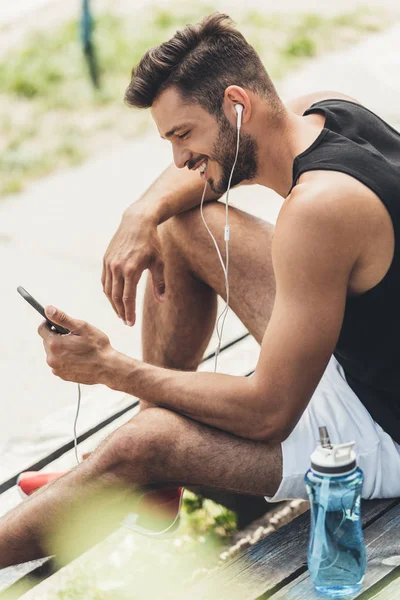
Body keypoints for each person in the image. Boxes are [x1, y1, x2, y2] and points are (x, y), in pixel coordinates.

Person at [1, 12, 400, 568]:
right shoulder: (327, 111)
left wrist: (108, 366)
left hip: (384, 431)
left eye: (184, 134)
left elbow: (268, 414)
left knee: (144, 443)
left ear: (237, 104)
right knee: (178, 226)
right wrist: (142, 212)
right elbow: (181, 189)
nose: (179, 157)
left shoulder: (320, 209)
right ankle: (154, 487)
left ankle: (144, 467)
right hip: (367, 361)